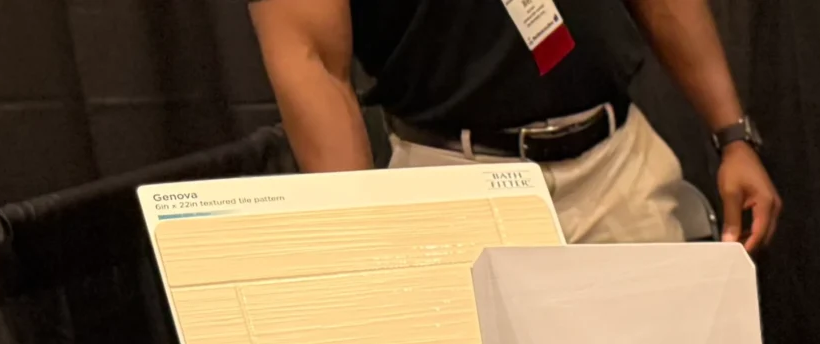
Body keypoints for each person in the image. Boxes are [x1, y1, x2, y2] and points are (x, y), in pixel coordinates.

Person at [249, 0, 780, 250]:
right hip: (453, 186)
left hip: (618, 168)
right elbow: (310, 59)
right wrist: (357, 240)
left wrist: (732, 135)